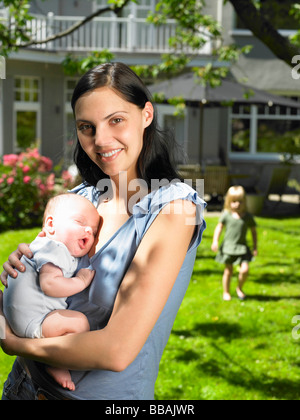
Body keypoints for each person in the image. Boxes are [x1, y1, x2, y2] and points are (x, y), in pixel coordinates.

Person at [0, 62, 206, 401]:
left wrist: (15, 344)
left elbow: (116, 350)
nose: (101, 140)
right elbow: (41, 290)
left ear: (147, 114)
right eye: (87, 127)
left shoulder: (174, 210)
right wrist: (23, 271)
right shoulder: (82, 199)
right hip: (22, 387)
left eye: (117, 120)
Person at [3, 193, 100, 391]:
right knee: (78, 322)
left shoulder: (42, 245)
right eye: (80, 222)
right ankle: (55, 364)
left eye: (95, 230)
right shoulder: (55, 248)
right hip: (33, 323)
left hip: (15, 318)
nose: (89, 230)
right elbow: (51, 285)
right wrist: (80, 281)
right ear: (50, 225)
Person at [211, 185, 257, 301]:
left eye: (240, 201)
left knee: (245, 270)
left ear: (245, 202)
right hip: (228, 248)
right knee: (228, 271)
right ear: (229, 202)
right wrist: (215, 241)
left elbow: (254, 232)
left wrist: (255, 246)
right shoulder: (227, 215)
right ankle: (226, 292)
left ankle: (239, 288)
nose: (237, 204)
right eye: (234, 201)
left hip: (242, 248)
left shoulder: (248, 217)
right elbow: (219, 228)